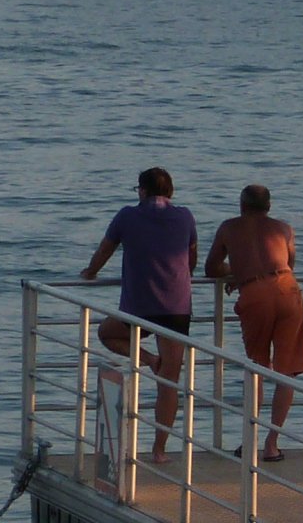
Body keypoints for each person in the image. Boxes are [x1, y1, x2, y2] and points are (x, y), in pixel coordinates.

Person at [82, 166, 199, 464]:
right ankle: (159, 450)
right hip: (176, 306)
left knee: (106, 333)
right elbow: (192, 258)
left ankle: (148, 360)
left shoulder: (127, 215)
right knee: (170, 381)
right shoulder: (185, 216)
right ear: (170, 191)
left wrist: (90, 272)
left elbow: (105, 250)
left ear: (142, 190)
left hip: (138, 307)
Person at [206, 184, 303, 462]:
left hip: (254, 294)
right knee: (286, 372)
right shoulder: (284, 229)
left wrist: (236, 272)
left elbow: (211, 268)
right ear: (269, 206)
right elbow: (290, 261)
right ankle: (272, 444)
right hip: (287, 289)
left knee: (257, 367)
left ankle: (249, 441)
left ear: (241, 204)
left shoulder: (229, 227)